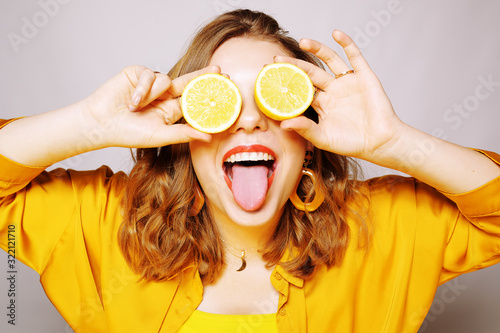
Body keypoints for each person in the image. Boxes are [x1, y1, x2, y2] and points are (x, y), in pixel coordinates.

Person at [1, 8, 499, 333]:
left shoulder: (384, 228)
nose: (251, 118)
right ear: (187, 129)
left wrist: (396, 142)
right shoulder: (109, 226)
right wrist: (88, 125)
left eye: (272, 95)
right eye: (221, 101)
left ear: (307, 137)